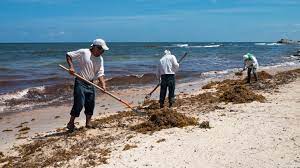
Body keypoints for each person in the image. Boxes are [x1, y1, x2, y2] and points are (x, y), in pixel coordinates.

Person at [65, 38, 109, 131]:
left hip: (90, 83)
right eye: (102, 49)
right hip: (80, 81)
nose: (103, 52)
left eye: (104, 50)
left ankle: (88, 123)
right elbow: (69, 55)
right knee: (79, 103)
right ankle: (71, 123)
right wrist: (71, 67)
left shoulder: (100, 59)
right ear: (96, 47)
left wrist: (103, 85)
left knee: (90, 103)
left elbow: (100, 74)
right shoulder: (84, 52)